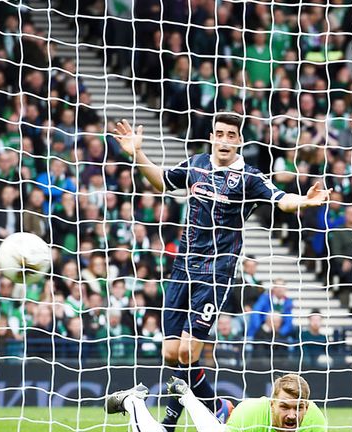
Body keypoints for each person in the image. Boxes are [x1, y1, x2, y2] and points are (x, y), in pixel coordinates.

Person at [112, 113, 330, 430]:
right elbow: (161, 181)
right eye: (220, 134)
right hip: (183, 267)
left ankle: (169, 425)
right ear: (211, 137)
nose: (225, 140)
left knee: (189, 351)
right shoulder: (196, 163)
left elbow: (281, 200)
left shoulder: (250, 177)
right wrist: (138, 153)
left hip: (217, 270)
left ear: (239, 140)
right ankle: (217, 406)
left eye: (231, 135)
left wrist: (306, 202)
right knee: (171, 352)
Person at [105, 374, 327, 432]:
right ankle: (133, 401)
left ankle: (186, 394)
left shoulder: (316, 423)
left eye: (298, 408)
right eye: (284, 406)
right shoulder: (251, 412)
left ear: (306, 407)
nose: (292, 415)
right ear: (271, 404)